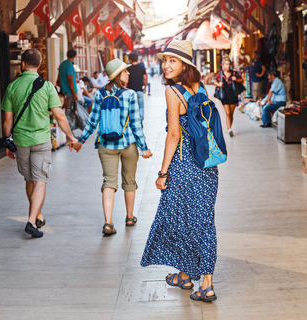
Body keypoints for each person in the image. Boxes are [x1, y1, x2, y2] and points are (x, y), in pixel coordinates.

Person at [140, 40, 219, 302]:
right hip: (207, 166)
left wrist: (163, 172)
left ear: (184, 64)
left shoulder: (172, 92)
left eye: (172, 61)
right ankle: (186, 275)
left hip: (184, 166)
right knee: (200, 219)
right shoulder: (201, 88)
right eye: (164, 60)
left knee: (184, 220)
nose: (166, 65)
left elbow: (174, 134)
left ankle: (206, 284)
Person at [1, 48, 78, 238]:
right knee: (40, 180)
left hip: (21, 141)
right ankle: (30, 221)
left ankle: (38, 215)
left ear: (22, 64)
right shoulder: (47, 86)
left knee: (30, 180)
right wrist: (70, 137)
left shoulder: (12, 87)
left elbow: (7, 120)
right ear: (40, 64)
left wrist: (8, 142)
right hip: (41, 140)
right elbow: (59, 115)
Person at [71, 58, 153, 236]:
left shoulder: (100, 94)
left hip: (105, 145)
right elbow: (136, 124)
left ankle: (108, 222)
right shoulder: (130, 94)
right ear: (117, 75)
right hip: (128, 144)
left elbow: (92, 123)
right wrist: (144, 148)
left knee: (109, 182)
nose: (128, 73)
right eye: (125, 71)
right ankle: (130, 217)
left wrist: (81, 141)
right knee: (129, 181)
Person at [213, 58, 243, 137]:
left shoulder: (234, 73)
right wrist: (218, 84)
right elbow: (215, 81)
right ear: (223, 65)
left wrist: (236, 79)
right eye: (226, 64)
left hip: (233, 94)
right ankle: (229, 129)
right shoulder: (220, 74)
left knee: (231, 113)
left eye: (229, 64)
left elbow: (242, 80)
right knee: (228, 113)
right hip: (224, 95)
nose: (228, 66)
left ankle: (229, 128)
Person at [127, 53, 148, 122]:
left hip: (130, 91)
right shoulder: (141, 67)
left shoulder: (128, 68)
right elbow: (145, 78)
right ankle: (140, 119)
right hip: (139, 90)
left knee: (131, 106)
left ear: (130, 60)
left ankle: (133, 120)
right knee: (141, 106)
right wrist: (145, 87)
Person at [57, 49, 78, 114]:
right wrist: (74, 93)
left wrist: (62, 87)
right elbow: (70, 80)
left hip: (64, 91)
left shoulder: (62, 64)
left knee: (66, 111)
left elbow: (58, 79)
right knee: (70, 112)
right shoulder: (69, 64)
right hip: (70, 92)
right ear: (75, 56)